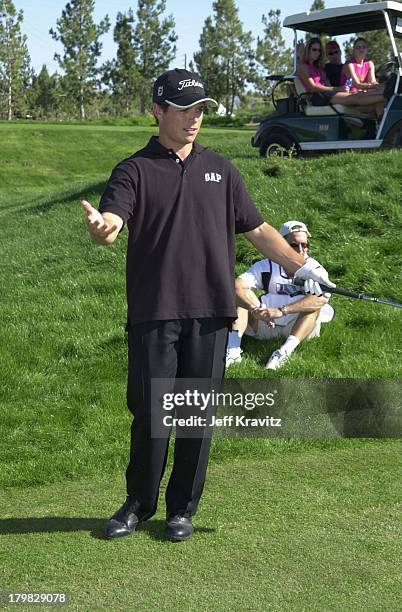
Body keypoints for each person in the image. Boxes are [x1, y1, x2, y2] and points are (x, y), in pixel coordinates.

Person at [81, 68, 334, 542]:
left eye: (200, 109)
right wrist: (105, 228)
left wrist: (303, 269)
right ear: (158, 110)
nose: (194, 118)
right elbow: (114, 218)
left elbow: (258, 231)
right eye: (184, 108)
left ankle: (182, 509)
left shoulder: (221, 169)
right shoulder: (134, 170)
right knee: (151, 412)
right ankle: (138, 502)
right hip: (155, 310)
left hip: (212, 312)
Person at [226, 221, 335, 370]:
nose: (301, 249)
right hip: (265, 323)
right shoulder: (265, 266)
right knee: (240, 297)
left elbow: (321, 298)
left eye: (305, 244)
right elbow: (236, 286)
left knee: (315, 304)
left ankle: (283, 352)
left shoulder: (315, 269)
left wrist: (281, 311)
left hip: (297, 327)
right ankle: (232, 352)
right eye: (294, 245)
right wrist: (255, 309)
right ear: (281, 244)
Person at [297, 37, 387, 117]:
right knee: (355, 97)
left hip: (329, 94)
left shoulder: (320, 68)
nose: (317, 52)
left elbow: (345, 81)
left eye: (319, 50)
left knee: (372, 101)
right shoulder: (312, 67)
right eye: (314, 50)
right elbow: (313, 87)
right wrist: (337, 89)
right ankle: (387, 94)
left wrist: (343, 88)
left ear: (340, 52)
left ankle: (382, 131)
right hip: (318, 97)